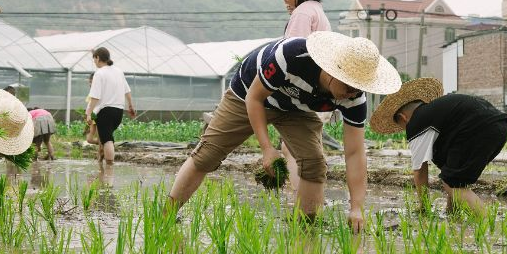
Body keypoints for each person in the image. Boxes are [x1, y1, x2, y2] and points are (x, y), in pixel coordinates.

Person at [167, 32, 401, 232]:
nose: (352, 94)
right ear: (332, 71)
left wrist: (356, 206)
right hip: (249, 95)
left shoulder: (354, 99)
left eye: (358, 89)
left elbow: (354, 153)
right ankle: (165, 216)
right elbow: (255, 98)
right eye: (349, 87)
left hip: (296, 110)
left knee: (314, 163)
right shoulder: (292, 56)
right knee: (207, 154)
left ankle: (306, 230)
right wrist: (267, 149)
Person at [370, 78, 507, 218]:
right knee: (455, 179)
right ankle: (452, 213)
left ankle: (487, 223)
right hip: (499, 128)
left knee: (453, 185)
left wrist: (423, 208)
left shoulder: (416, 122)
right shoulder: (438, 114)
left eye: (401, 126)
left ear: (403, 117)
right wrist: (449, 211)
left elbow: (419, 169)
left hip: (478, 130)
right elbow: (450, 170)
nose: (405, 130)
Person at [267, 0, 333, 194]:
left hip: (307, 91)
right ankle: (305, 198)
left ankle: (302, 199)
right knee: (301, 148)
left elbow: (290, 59)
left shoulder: (303, 14)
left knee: (295, 150)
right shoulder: (316, 9)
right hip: (322, 90)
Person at [85, 48, 135, 167]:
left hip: (104, 111)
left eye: (94, 59)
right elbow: (127, 90)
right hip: (118, 111)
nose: (94, 63)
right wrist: (131, 106)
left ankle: (109, 168)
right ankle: (102, 163)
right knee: (105, 137)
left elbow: (95, 97)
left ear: (97, 58)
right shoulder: (118, 71)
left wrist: (88, 113)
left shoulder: (100, 73)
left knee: (107, 140)